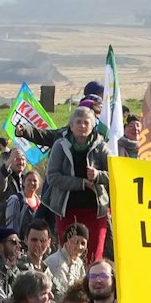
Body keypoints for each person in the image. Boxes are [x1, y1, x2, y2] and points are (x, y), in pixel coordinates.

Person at [49, 106, 112, 261]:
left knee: (93, 255)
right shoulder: (60, 146)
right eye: (78, 122)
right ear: (71, 126)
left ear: (92, 126)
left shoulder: (101, 147)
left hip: (95, 211)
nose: (82, 126)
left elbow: (115, 174)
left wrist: (98, 175)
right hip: (67, 210)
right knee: (69, 255)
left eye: (86, 122)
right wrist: (81, 183)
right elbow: (53, 177)